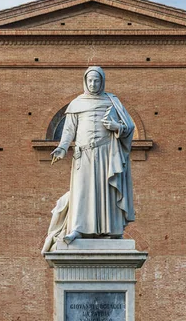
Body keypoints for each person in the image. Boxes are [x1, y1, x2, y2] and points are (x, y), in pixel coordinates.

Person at [42, 66, 135, 253]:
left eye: (97, 81)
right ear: (85, 82)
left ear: (102, 82)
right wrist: (62, 147)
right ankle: (77, 229)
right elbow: (69, 130)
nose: (93, 84)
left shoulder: (112, 101)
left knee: (105, 190)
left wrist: (117, 126)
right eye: (90, 80)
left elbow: (129, 127)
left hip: (106, 153)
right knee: (82, 190)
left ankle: (110, 230)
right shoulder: (77, 103)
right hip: (83, 155)